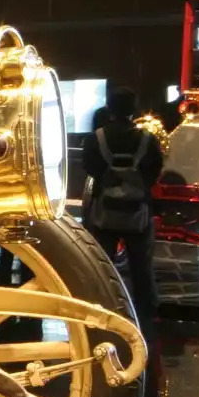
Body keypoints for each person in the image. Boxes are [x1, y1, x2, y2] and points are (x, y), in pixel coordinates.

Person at [82, 85, 163, 320]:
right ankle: (144, 314)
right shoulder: (147, 139)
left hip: (104, 211)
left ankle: (104, 307)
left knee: (103, 264)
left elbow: (90, 167)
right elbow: (155, 169)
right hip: (137, 211)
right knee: (141, 266)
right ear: (133, 109)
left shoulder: (96, 138)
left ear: (109, 108)